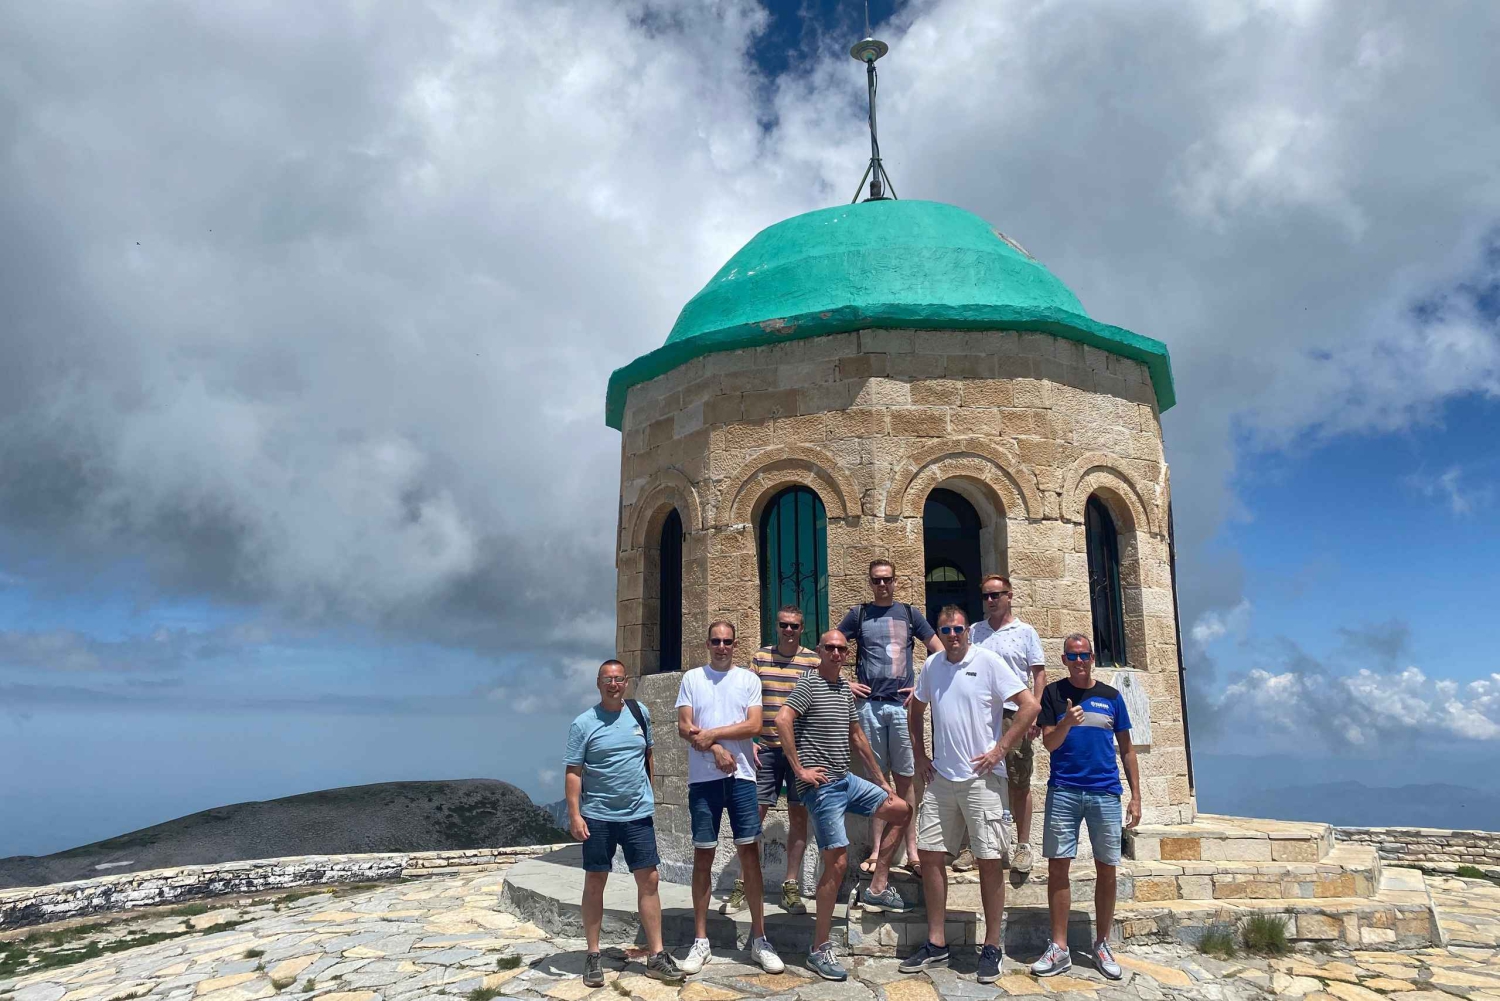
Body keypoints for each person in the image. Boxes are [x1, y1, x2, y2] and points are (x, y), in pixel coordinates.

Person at [901, 606, 1040, 984]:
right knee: (930, 856)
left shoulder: (989, 661)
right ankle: (936, 941)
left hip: (983, 778)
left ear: (967, 630)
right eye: (946, 630)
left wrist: (1001, 749)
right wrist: (919, 754)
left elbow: (1030, 706)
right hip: (943, 778)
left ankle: (992, 946)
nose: (953, 635)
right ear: (940, 634)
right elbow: (915, 709)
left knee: (989, 859)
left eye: (958, 628)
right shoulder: (931, 666)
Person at [775, 630, 913, 981]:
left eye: (841, 648)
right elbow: (782, 720)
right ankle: (819, 949)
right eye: (830, 648)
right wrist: (798, 769)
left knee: (901, 810)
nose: (836, 653)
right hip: (821, 789)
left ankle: (878, 887)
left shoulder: (843, 691)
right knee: (835, 863)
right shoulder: (810, 684)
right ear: (820, 651)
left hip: (846, 781)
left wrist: (882, 781)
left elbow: (857, 737)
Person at [674, 621, 785, 975]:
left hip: (741, 780)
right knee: (703, 855)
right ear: (707, 643)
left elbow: (754, 726)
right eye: (715, 641)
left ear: (735, 644)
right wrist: (720, 748)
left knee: (749, 856)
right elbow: (684, 727)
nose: (721, 646)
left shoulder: (748, 680)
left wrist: (716, 736)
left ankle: (759, 939)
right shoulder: (693, 678)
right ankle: (701, 940)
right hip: (704, 781)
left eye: (727, 641)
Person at [564, 660, 684, 987]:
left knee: (650, 879)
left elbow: (648, 755)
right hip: (598, 816)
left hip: (637, 815)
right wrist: (575, 814)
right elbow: (574, 772)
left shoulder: (639, 712)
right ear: (598, 683)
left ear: (626, 682)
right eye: (607, 679)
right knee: (595, 881)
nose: (613, 684)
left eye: (618, 679)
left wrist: (650, 792)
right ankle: (593, 955)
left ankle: (656, 955)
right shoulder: (584, 723)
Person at [1029, 634, 1141, 981]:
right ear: (1064, 660)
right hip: (1064, 790)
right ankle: (1059, 947)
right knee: (1058, 866)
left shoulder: (1111, 697)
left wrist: (1136, 795)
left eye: (1085, 655)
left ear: (1093, 658)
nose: (1079, 661)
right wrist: (1066, 722)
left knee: (1107, 867)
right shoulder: (1053, 694)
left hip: (1105, 792)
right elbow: (1049, 743)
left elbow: (1127, 749)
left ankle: (1102, 943)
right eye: (1072, 656)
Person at [837, 559, 941, 877]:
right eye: (877, 580)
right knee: (877, 781)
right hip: (869, 706)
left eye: (887, 580)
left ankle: (912, 852)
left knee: (906, 780)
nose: (882, 585)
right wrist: (845, 681)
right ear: (870, 583)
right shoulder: (860, 614)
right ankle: (878, 850)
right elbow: (829, 647)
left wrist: (922, 684)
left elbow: (936, 649)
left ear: (895, 581)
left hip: (900, 708)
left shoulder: (909, 613)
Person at [730, 604, 820, 917]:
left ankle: (790, 885)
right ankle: (743, 882)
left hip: (800, 753)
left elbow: (819, 701)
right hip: (765, 749)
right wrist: (748, 742)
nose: (789, 631)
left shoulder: (813, 661)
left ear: (802, 628)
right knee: (753, 817)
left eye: (795, 626)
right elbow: (745, 702)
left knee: (799, 818)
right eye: (784, 625)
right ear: (777, 627)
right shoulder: (759, 658)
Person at [968, 574, 1047, 873]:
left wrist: (1035, 713)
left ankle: (1023, 846)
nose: (990, 601)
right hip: (982, 714)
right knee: (978, 778)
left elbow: (1038, 674)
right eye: (986, 596)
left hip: (1016, 713)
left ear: (1009, 596)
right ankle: (978, 846)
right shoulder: (975, 632)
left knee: (1018, 780)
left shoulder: (1025, 632)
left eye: (996, 595)